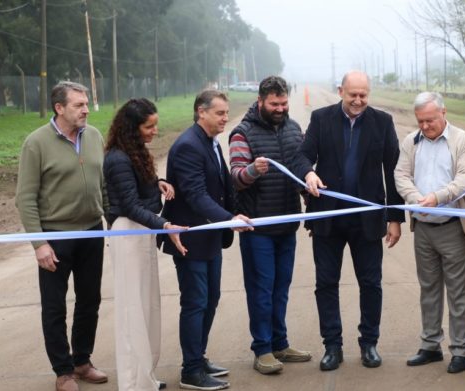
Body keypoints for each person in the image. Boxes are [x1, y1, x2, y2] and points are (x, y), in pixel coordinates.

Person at [293, 70, 405, 371]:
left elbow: (393, 172)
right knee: (326, 283)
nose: (358, 100)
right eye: (352, 94)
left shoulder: (382, 122)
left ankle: (369, 343)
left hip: (367, 220)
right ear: (341, 90)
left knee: (371, 284)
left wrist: (395, 217)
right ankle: (332, 345)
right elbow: (302, 156)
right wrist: (309, 173)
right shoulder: (321, 118)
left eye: (363, 95)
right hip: (328, 219)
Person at [15, 81, 109, 391]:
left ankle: (82, 361)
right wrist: (39, 244)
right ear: (59, 108)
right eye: (79, 105)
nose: (86, 109)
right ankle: (63, 371)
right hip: (56, 235)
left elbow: (103, 186)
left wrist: (114, 220)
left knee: (89, 300)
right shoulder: (36, 143)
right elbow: (25, 198)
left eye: (86, 103)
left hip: (92, 232)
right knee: (54, 306)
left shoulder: (94, 136)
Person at [159, 90, 252, 390]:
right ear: (202, 112)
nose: (226, 118)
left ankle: (198, 357)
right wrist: (229, 218)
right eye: (220, 113)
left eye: (226, 113)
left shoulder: (210, 142)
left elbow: (222, 187)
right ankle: (191, 371)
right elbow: (196, 195)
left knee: (210, 300)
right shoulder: (188, 146)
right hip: (191, 240)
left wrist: (234, 213)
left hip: (210, 238)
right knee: (195, 303)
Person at [228, 76, 311, 374]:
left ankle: (280, 343)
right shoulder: (242, 134)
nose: (280, 108)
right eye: (274, 104)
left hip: (287, 224)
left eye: (284, 103)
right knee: (261, 291)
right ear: (260, 101)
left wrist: (309, 190)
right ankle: (262, 350)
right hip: (257, 228)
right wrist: (252, 170)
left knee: (281, 289)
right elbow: (236, 177)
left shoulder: (293, 128)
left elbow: (301, 169)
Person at [104, 98, 188, 390]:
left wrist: (159, 183)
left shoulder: (134, 151)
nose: (154, 130)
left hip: (142, 232)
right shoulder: (117, 158)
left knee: (146, 305)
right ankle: (132, 382)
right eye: (148, 126)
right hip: (128, 233)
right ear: (131, 128)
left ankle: (145, 376)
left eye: (155, 125)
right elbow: (128, 205)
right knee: (131, 310)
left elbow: (139, 188)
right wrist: (164, 225)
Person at [394, 92, 465, 374]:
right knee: (428, 290)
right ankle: (430, 345)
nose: (426, 126)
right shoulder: (411, 142)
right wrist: (416, 197)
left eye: (430, 120)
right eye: (421, 121)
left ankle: (460, 350)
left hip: (453, 227)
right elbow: (400, 174)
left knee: (459, 293)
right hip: (423, 229)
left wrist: (438, 197)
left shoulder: (462, 141)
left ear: (444, 112)